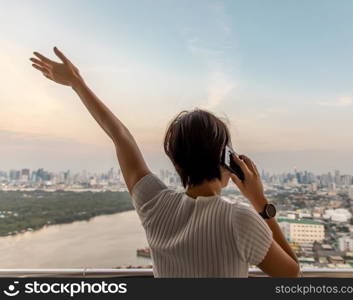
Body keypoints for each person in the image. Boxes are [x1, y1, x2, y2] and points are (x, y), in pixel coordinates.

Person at [30, 47, 299, 278]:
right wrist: (261, 203)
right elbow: (292, 273)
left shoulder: (155, 204)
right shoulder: (240, 219)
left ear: (177, 161)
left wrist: (78, 84)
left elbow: (121, 139)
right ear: (225, 159)